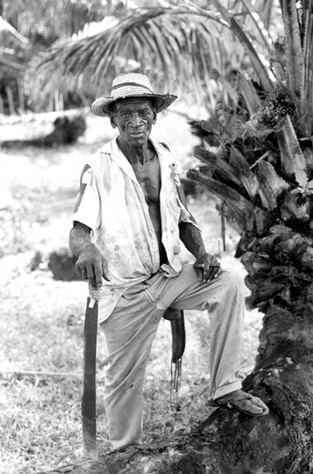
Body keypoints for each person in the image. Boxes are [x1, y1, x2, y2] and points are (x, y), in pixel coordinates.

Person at [69, 73, 269, 450]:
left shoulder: (166, 156)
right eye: (125, 114)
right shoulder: (98, 168)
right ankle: (123, 456)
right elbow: (78, 230)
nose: (134, 121)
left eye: (142, 112)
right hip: (126, 290)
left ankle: (225, 386)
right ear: (113, 120)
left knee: (227, 283)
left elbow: (182, 216)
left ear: (154, 116)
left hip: (169, 274)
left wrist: (203, 254)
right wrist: (87, 249)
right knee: (123, 382)